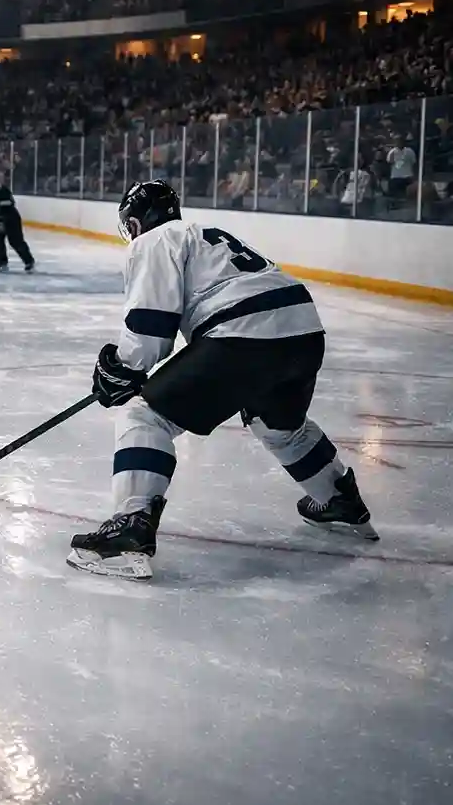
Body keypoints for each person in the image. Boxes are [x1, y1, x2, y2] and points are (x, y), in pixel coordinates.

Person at [69, 180, 376, 581]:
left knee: (144, 419)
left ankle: (130, 530)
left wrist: (121, 367)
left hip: (243, 333)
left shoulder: (155, 241)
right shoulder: (205, 236)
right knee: (281, 427)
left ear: (135, 222)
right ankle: (339, 502)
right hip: (303, 332)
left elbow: (150, 333)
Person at [0, 167, 35, 273]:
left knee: (15, 241)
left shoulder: (2, 190)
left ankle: (29, 261)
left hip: (11, 219)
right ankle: (2, 261)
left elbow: (8, 205)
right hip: (0, 220)